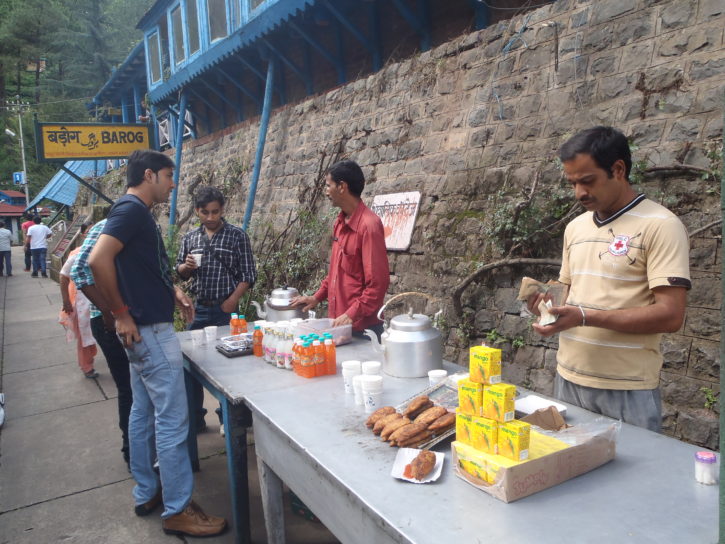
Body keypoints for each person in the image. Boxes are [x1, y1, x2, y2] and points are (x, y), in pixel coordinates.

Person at [89, 149, 227, 537]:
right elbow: (97, 261)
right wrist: (120, 313)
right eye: (169, 176)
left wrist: (172, 293)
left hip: (145, 328)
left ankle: (147, 491)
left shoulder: (133, 213)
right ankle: (178, 509)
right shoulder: (131, 211)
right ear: (149, 175)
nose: (173, 183)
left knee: (142, 412)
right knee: (172, 420)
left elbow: (140, 269)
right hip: (148, 331)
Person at [528, 126, 690, 433]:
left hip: (627, 388)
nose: (579, 193)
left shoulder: (662, 225)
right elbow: (566, 294)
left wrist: (584, 317)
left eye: (587, 181)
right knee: (573, 475)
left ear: (618, 169)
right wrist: (544, 306)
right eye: (573, 183)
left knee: (631, 481)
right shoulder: (575, 228)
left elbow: (670, 315)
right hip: (569, 379)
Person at [176, 185, 256, 431]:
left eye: (215, 212)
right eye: (205, 213)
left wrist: (233, 300)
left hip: (226, 309)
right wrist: (186, 267)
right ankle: (195, 418)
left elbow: (249, 274)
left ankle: (228, 418)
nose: (211, 217)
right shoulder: (190, 238)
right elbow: (179, 274)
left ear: (222, 210)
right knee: (190, 365)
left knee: (230, 365)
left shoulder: (236, 235)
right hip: (198, 308)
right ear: (197, 211)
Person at [291, 159, 390, 340]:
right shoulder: (339, 223)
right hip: (339, 326)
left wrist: (351, 314)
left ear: (342, 186)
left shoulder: (369, 225)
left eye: (329, 185)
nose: (326, 191)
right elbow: (337, 272)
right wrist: (316, 297)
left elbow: (377, 285)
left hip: (363, 330)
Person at [70, 217, 133, 467]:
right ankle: (132, 452)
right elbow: (78, 270)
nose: (172, 184)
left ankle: (140, 449)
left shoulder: (138, 223)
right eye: (169, 175)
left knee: (137, 388)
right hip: (111, 322)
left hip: (127, 318)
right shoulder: (112, 225)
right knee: (129, 388)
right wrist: (111, 312)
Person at [59, 221, 98, 378]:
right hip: (81, 301)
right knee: (84, 334)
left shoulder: (104, 251)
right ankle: (86, 366)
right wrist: (66, 301)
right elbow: (63, 275)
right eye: (89, 232)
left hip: (99, 301)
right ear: (83, 235)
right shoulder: (78, 254)